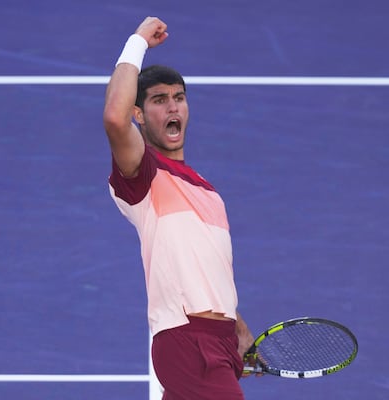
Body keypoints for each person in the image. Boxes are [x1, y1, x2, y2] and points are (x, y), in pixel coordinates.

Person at [103, 16, 255, 399]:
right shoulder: (144, 175)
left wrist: (235, 325)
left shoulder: (207, 190)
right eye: (158, 100)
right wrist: (136, 42)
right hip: (188, 341)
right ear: (140, 115)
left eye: (179, 97)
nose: (173, 107)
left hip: (217, 342)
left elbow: (200, 266)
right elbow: (113, 118)